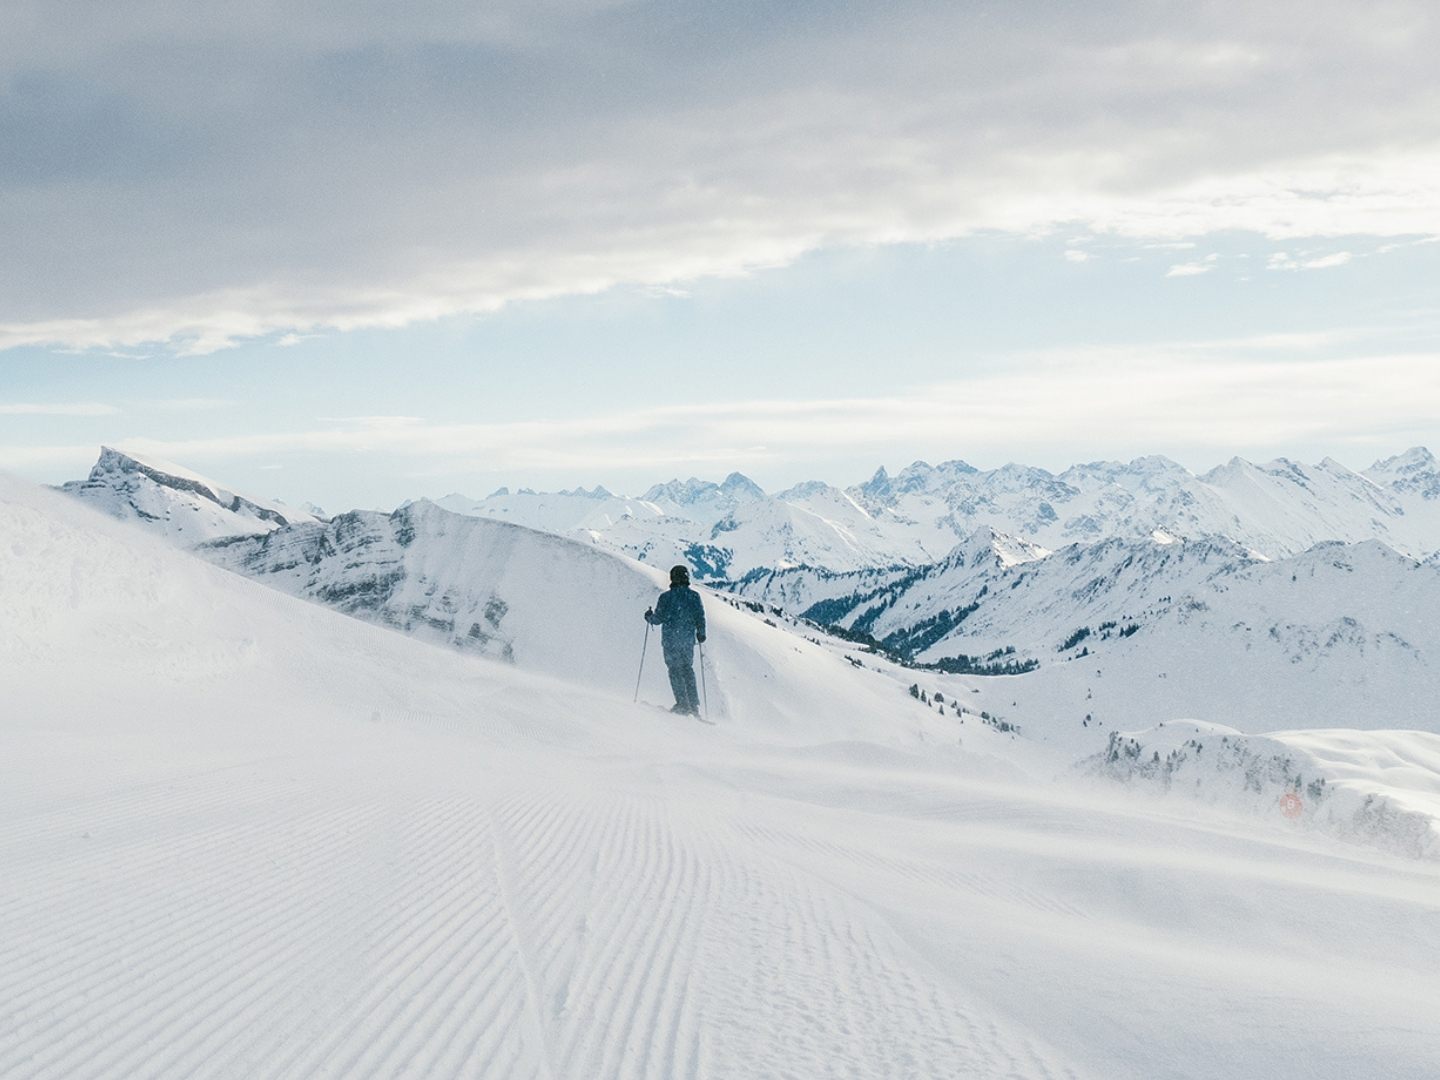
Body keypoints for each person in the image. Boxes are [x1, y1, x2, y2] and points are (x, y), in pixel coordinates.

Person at [645, 564, 706, 715]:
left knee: (675, 670)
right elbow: (700, 617)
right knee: (687, 670)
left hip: (671, 641)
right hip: (687, 642)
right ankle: (694, 706)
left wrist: (648, 617)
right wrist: (701, 633)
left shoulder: (666, 597)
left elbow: (658, 618)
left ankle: (682, 704)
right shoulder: (694, 597)